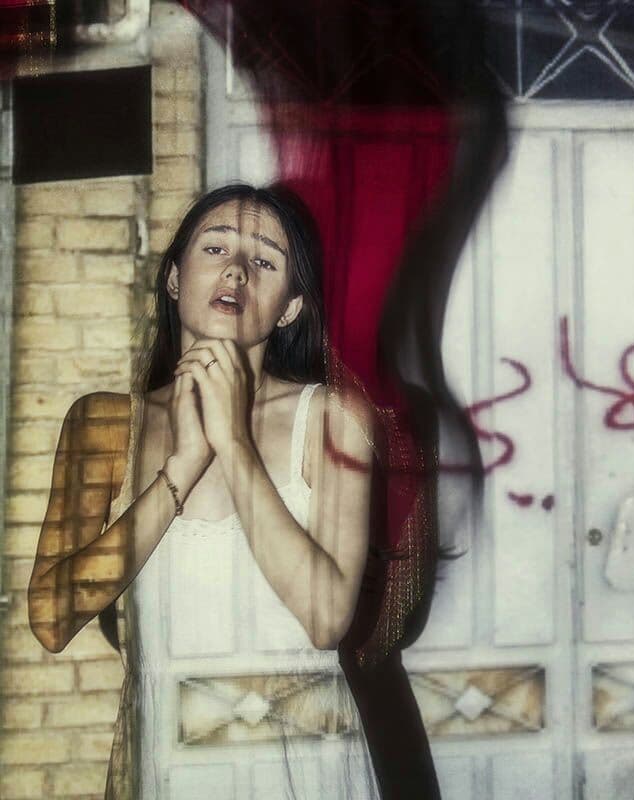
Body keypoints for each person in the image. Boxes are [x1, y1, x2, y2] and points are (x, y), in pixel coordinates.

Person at [28, 183, 440, 799]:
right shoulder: (105, 424)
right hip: (166, 766)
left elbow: (327, 619)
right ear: (174, 279)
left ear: (290, 308)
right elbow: (52, 619)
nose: (237, 270)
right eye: (216, 247)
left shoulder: (332, 420)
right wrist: (181, 469)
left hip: (304, 769)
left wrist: (233, 444)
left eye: (265, 260)